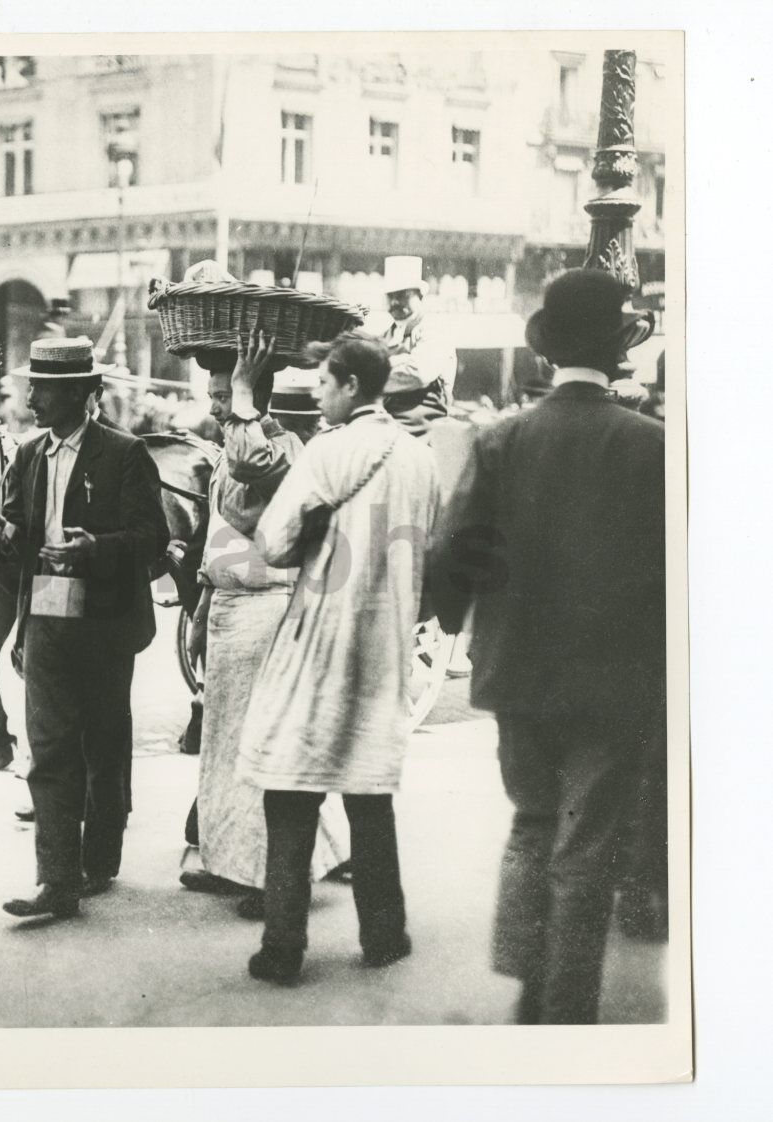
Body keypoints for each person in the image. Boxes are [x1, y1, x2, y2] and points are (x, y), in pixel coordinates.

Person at [428, 268, 664, 1024]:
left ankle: (529, 987)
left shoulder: (503, 439)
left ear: (547, 351)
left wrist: (451, 612)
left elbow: (455, 554)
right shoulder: (650, 445)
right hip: (614, 681)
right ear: (617, 351)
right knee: (587, 843)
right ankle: (567, 1009)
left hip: (519, 676)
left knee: (532, 822)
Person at [235, 331, 440, 984]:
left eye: (324, 382)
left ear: (352, 386)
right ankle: (385, 933)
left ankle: (283, 946)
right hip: (385, 644)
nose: (318, 393)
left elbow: (272, 543)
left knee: (291, 790)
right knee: (368, 790)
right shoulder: (418, 458)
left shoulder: (327, 451)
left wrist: (304, 533)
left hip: (322, 636)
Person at [0, 336, 169, 920]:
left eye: (41, 387)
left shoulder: (125, 454)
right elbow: (14, 522)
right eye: (30, 385)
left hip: (106, 620)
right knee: (48, 744)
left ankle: (100, 859)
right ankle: (56, 879)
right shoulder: (28, 455)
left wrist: (97, 549)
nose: (30, 396)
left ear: (78, 395)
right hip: (46, 612)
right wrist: (4, 532)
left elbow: (154, 541)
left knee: (104, 740)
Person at [179, 333, 348, 916]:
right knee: (227, 746)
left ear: (257, 399)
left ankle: (268, 876)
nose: (216, 405)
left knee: (257, 749)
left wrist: (248, 396)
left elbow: (253, 474)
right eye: (214, 394)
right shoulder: (233, 445)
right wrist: (201, 611)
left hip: (266, 610)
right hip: (231, 610)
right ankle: (234, 864)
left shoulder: (279, 447)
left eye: (225, 395)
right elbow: (214, 535)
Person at [378, 256, 455, 440]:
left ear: (420, 296)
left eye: (403, 295)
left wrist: (375, 373)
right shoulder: (385, 336)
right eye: (391, 296)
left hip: (422, 428)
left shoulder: (434, 330)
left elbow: (419, 373)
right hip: (387, 419)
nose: (395, 302)